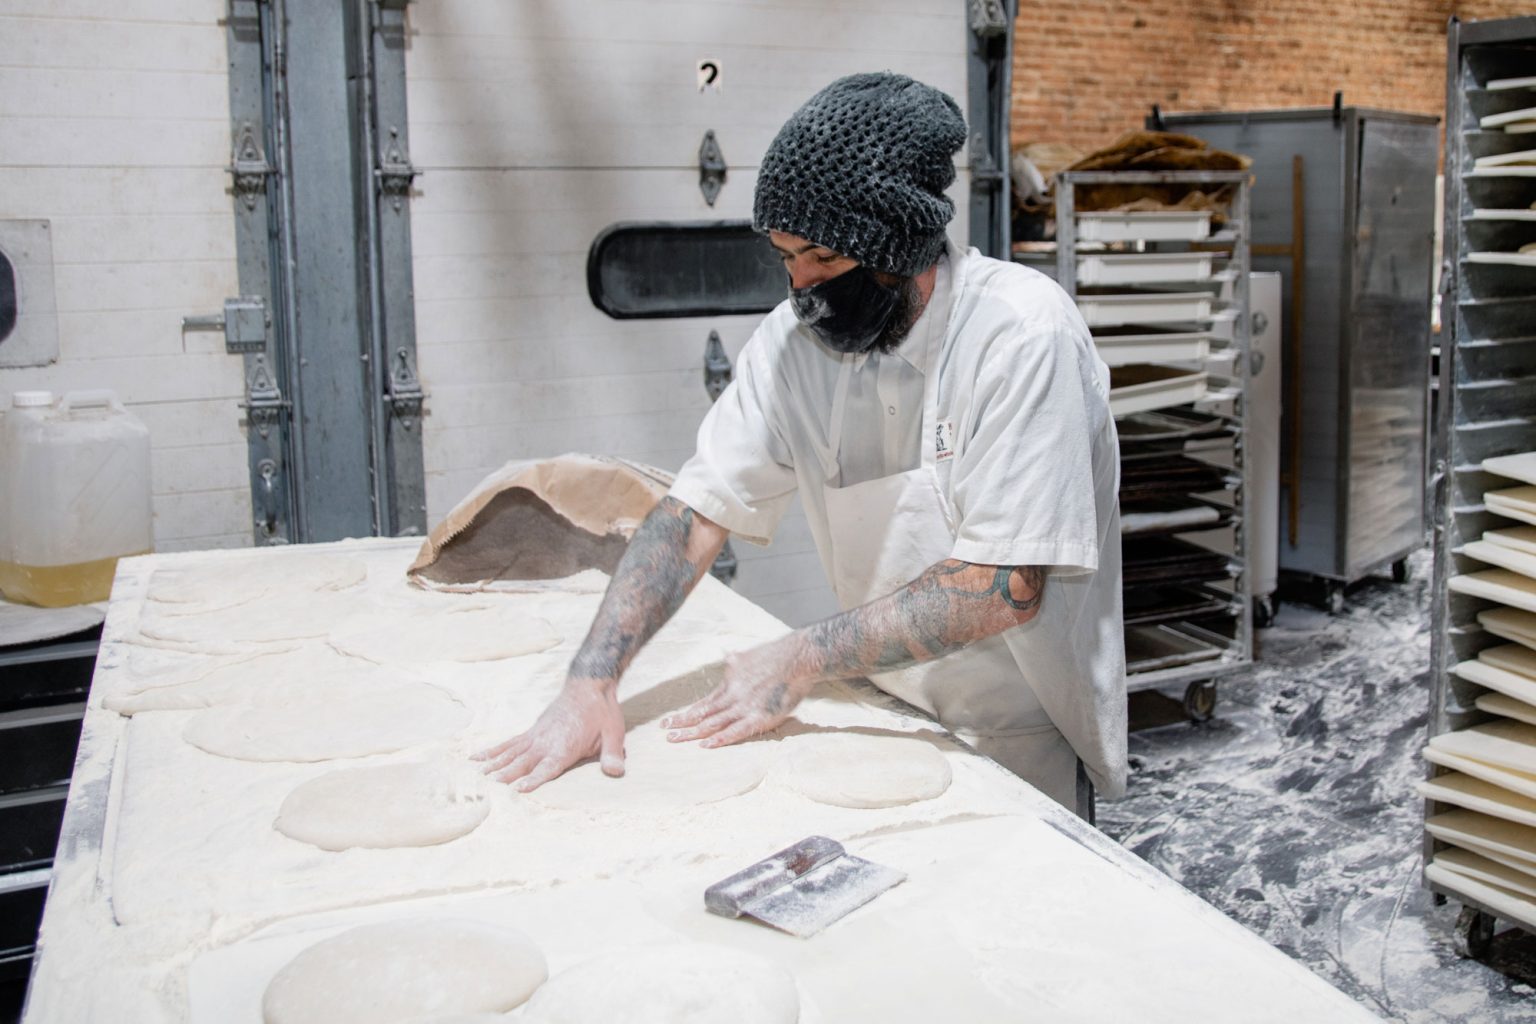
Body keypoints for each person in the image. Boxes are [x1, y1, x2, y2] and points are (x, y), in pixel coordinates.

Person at [477, 72, 1126, 816]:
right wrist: (592, 681)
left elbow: (1001, 585)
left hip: (1020, 735)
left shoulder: (1021, 337)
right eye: (785, 258)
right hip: (878, 706)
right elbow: (693, 514)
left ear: (896, 241)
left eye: (821, 257)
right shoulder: (794, 346)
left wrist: (804, 655)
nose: (802, 287)